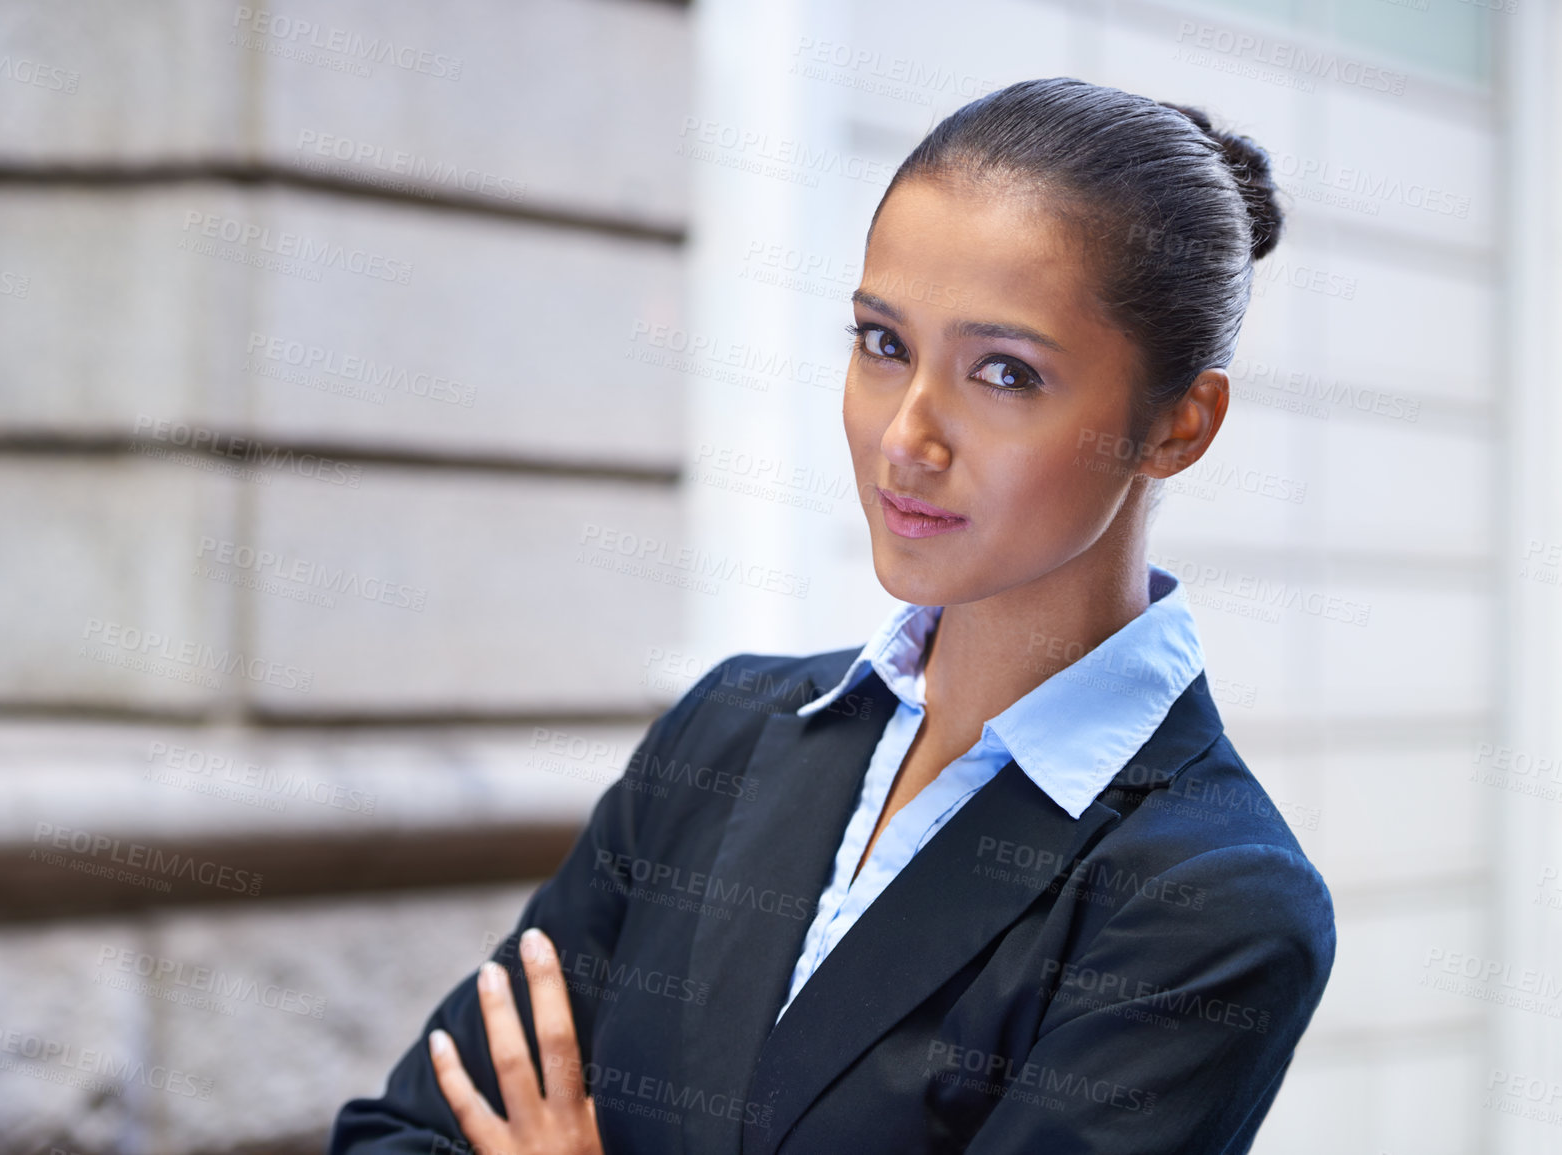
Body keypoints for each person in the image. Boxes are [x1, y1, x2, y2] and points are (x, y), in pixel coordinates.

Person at [329, 76, 1336, 1155]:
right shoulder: (729, 728)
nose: (908, 436)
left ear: (1179, 426)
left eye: (1005, 373)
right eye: (883, 343)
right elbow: (398, 1135)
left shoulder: (1213, 904)